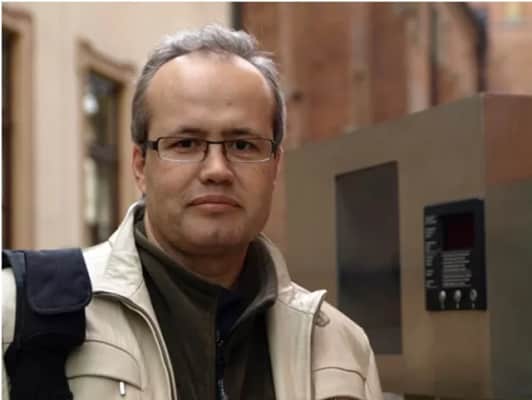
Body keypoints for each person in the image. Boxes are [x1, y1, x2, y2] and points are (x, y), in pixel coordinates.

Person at [2, 25, 383, 400]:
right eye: (185, 143)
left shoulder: (340, 350)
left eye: (243, 145)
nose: (217, 169)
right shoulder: (17, 316)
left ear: (275, 166)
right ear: (140, 165)